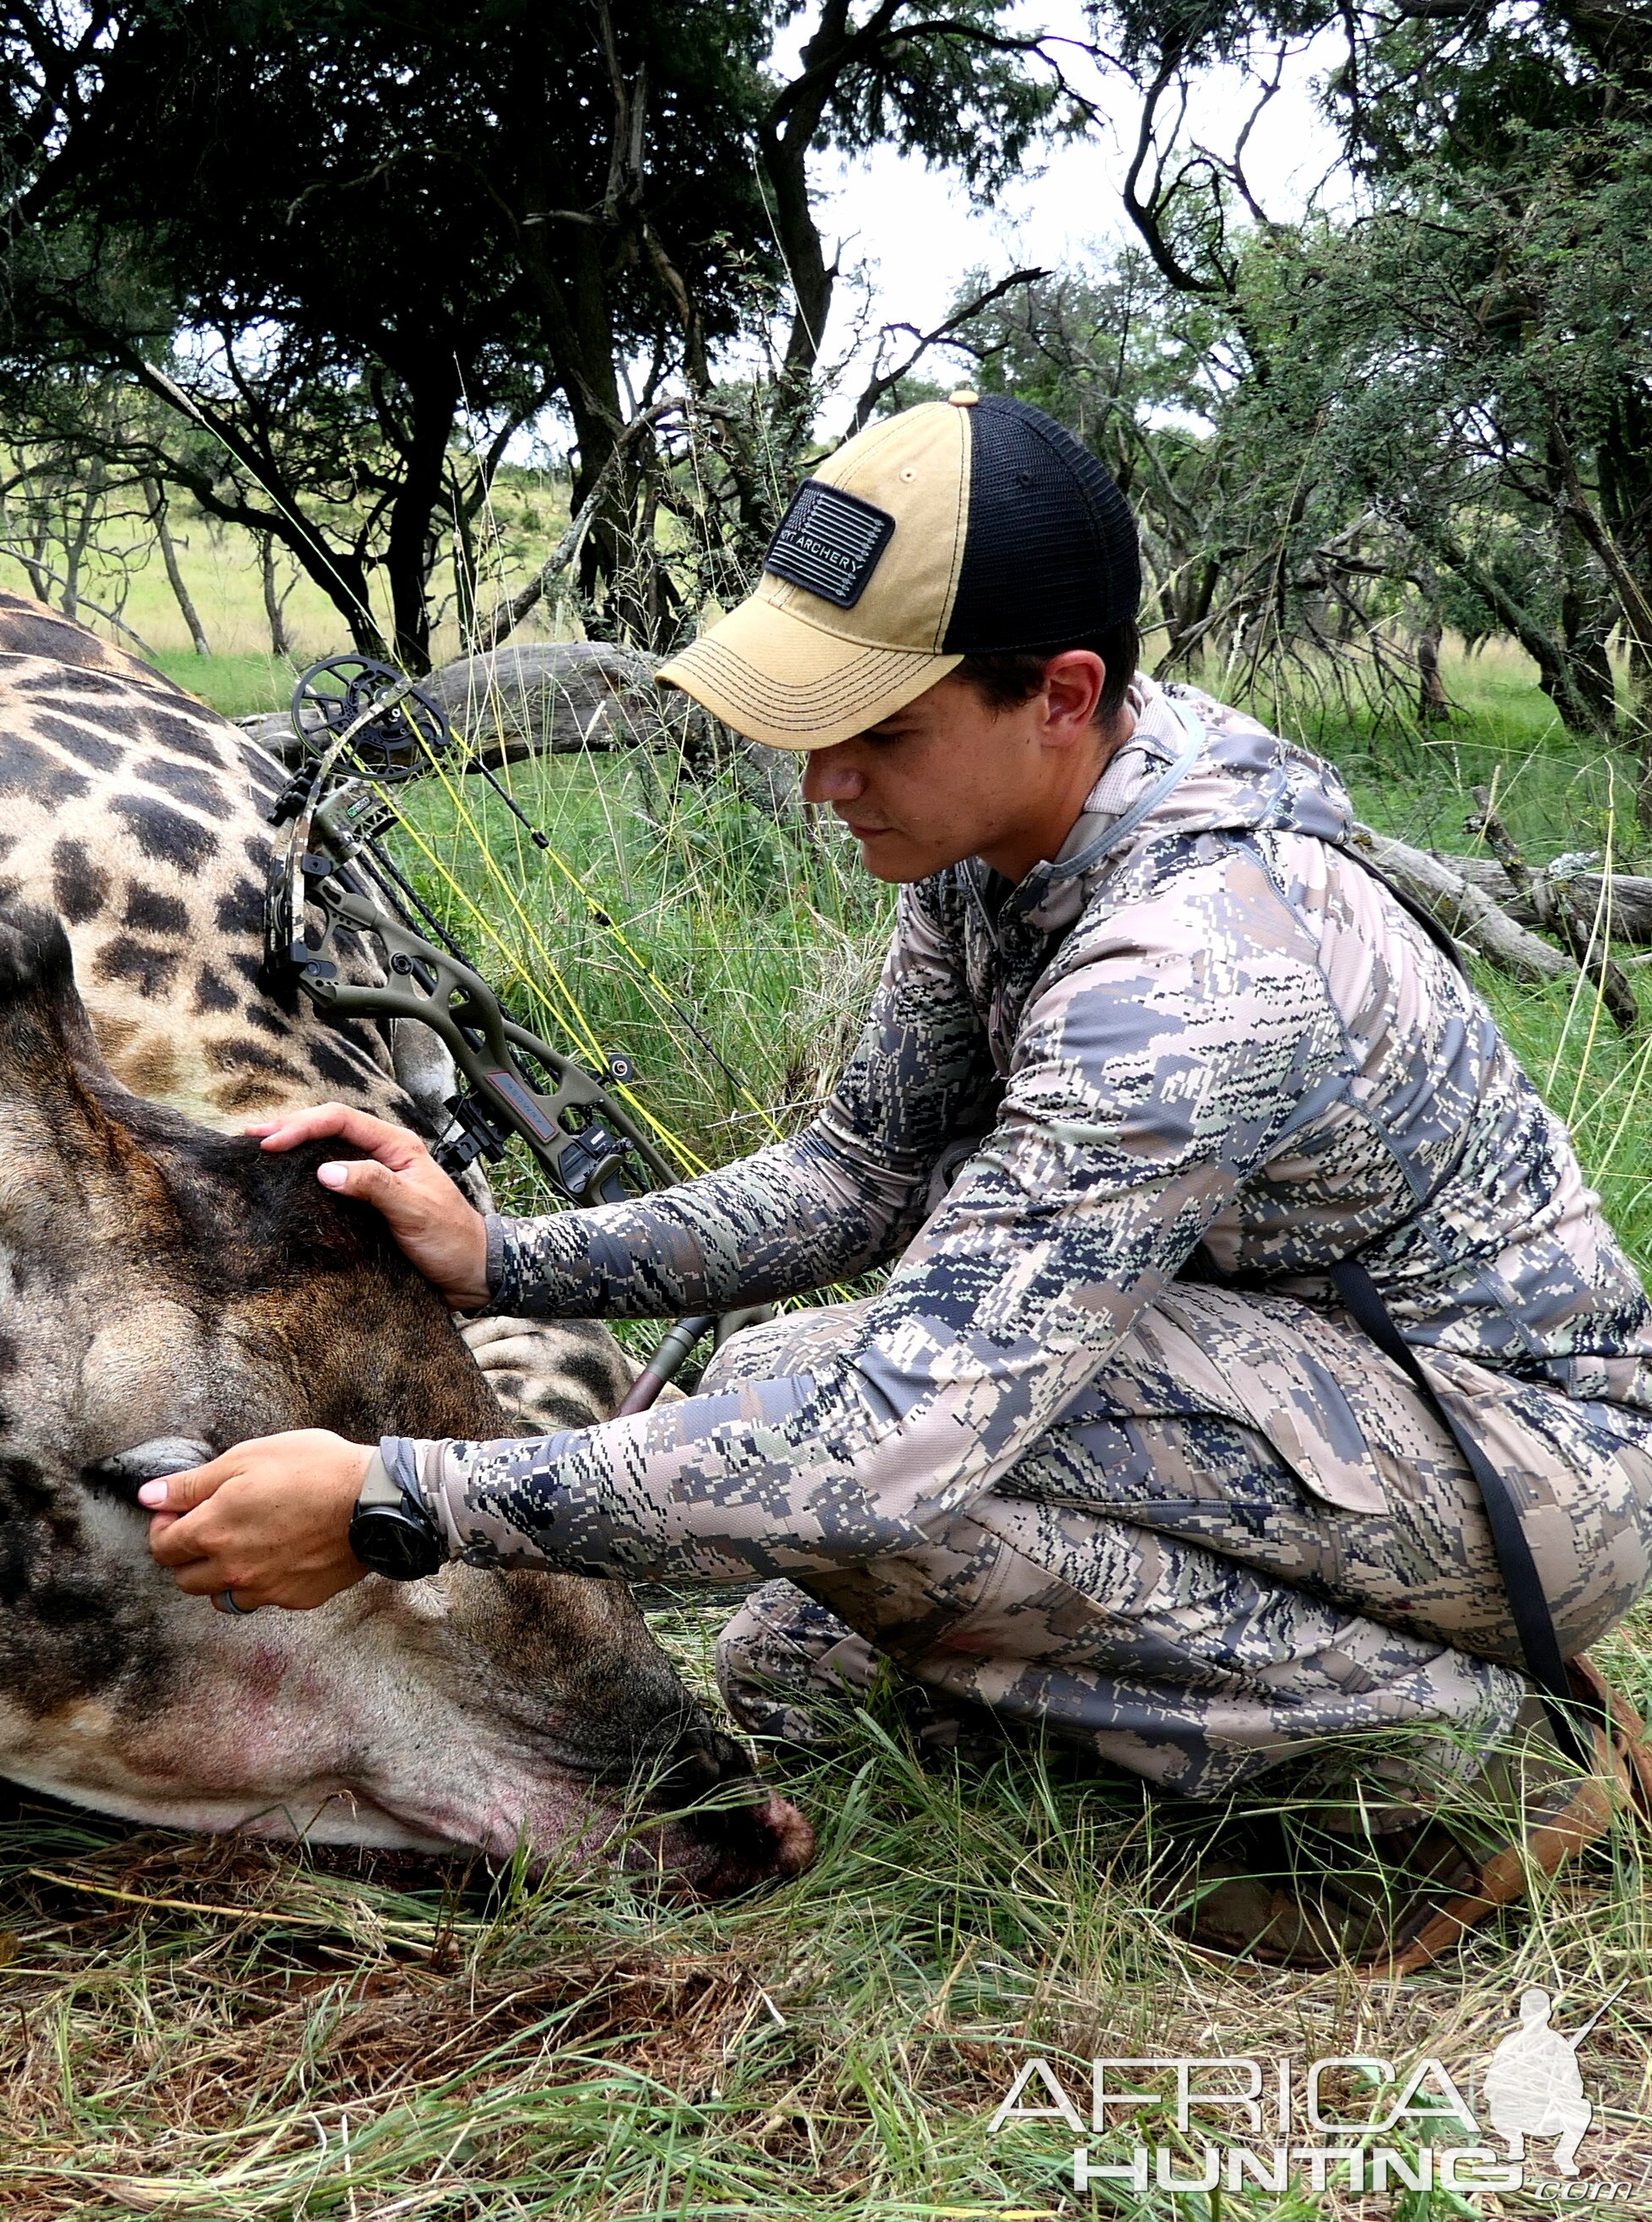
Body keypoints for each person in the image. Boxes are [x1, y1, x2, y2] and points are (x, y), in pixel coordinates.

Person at [148, 390, 1652, 1968]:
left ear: (1060, 693)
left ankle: (1447, 1755)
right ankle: (1184, 1735)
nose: (824, 783)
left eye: (879, 731)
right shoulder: (1014, 840)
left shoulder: (1195, 972)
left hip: (1518, 1472)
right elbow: (856, 1170)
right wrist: (503, 1257)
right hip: (1314, 1404)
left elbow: (878, 1451)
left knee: (849, 1474)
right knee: (789, 1664)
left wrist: (396, 1502)